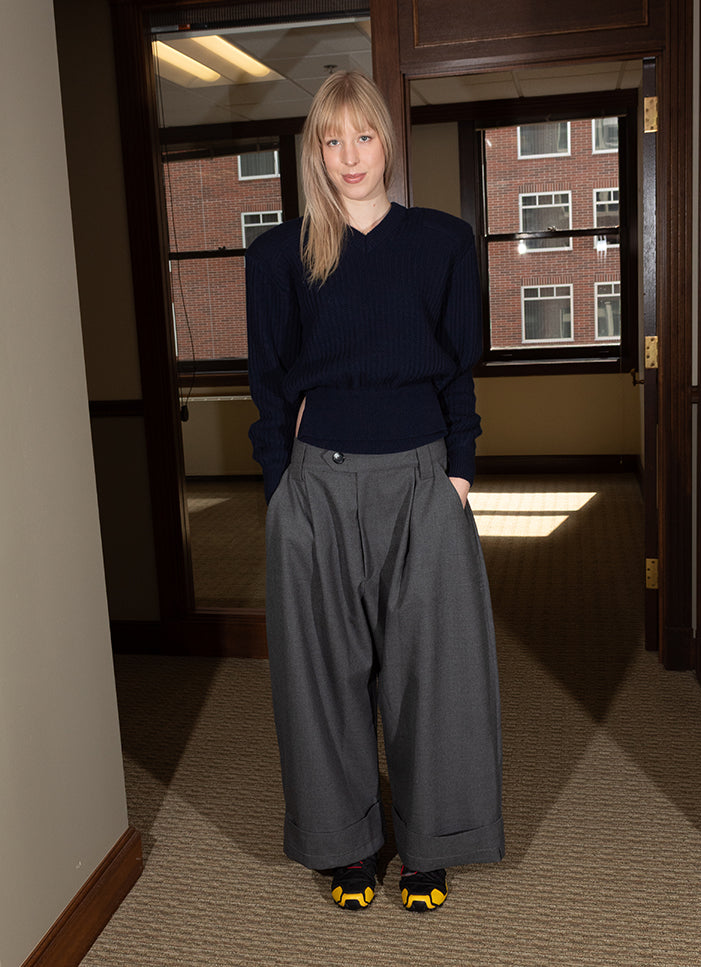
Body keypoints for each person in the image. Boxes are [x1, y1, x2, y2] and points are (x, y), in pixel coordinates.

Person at [246, 70, 504, 912]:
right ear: (315, 151)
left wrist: (458, 474)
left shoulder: (441, 242)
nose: (349, 156)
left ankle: (431, 846)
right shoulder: (278, 255)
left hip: (423, 482)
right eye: (332, 139)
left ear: (386, 142)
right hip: (314, 486)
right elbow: (269, 387)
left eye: (363, 136)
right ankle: (345, 845)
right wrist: (281, 491)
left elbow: (457, 371)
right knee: (321, 677)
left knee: (435, 675)